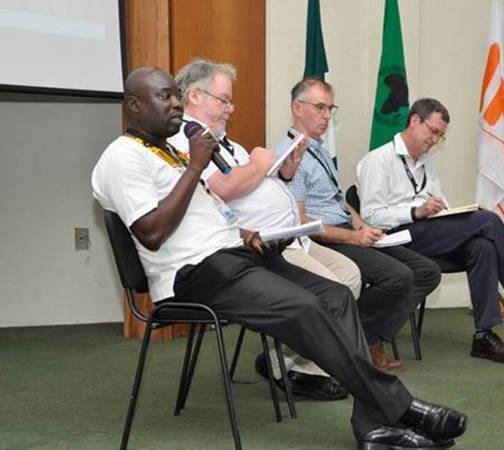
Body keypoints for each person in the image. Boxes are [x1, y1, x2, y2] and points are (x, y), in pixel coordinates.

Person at [92, 67, 467, 450]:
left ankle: (373, 426)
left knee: (336, 296)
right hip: (193, 273)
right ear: (134, 105)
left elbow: (203, 219)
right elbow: (152, 233)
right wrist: (195, 167)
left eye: (175, 94)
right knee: (305, 307)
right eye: (164, 96)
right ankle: (401, 406)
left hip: (234, 254)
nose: (174, 103)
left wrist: (250, 236)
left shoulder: (169, 151)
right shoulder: (122, 158)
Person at [168, 58, 360, 401]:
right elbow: (225, 188)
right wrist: (259, 163)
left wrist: (281, 171)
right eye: (224, 99)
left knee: (349, 277)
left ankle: (306, 363)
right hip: (256, 247)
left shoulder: (224, 140)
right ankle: (300, 368)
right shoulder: (186, 139)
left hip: (289, 239)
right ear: (195, 96)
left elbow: (253, 184)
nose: (231, 107)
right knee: (332, 292)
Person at [356, 97, 504, 363]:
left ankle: (483, 336)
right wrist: (416, 212)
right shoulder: (377, 160)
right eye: (433, 131)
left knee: (481, 246)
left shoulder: (426, 163)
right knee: (487, 221)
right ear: (415, 120)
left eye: (440, 136)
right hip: (396, 238)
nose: (435, 140)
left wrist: (449, 212)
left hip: (428, 234)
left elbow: (438, 203)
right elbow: (370, 215)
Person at [276, 77, 441, 370]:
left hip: (348, 230)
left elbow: (339, 202)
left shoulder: (318, 149)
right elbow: (300, 220)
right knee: (398, 277)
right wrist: (354, 238)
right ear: (297, 108)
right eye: (320, 107)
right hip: (323, 239)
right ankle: (361, 340)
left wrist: (363, 225)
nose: (327, 115)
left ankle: (363, 334)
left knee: (427, 272)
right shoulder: (292, 155)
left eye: (330, 108)